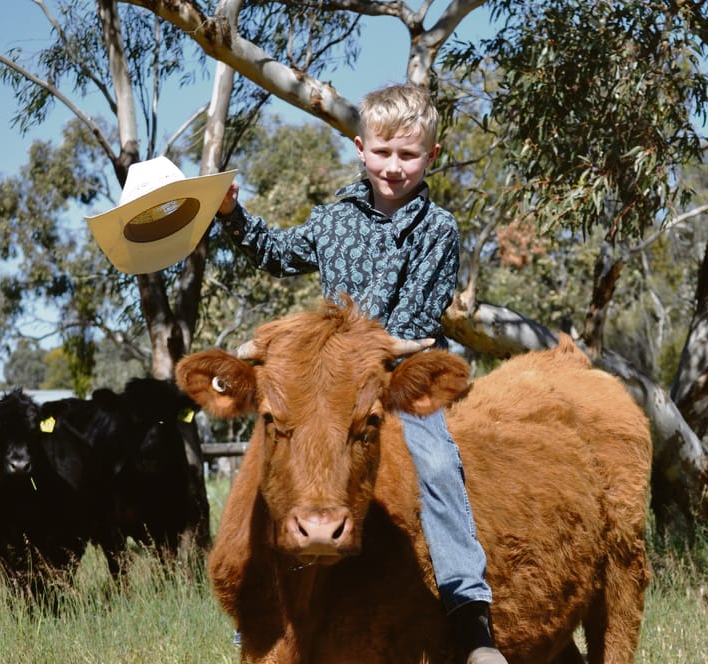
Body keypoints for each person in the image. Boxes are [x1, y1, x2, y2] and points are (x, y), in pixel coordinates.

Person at [215, 83, 508, 664]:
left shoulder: (439, 230)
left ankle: (468, 612)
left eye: (408, 155)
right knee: (277, 458)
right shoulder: (332, 220)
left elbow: (417, 321)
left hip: (395, 372)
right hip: (333, 381)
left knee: (436, 460)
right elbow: (276, 252)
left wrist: (356, 355)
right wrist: (230, 213)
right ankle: (265, 606)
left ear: (432, 156)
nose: (393, 167)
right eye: (382, 152)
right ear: (359, 147)